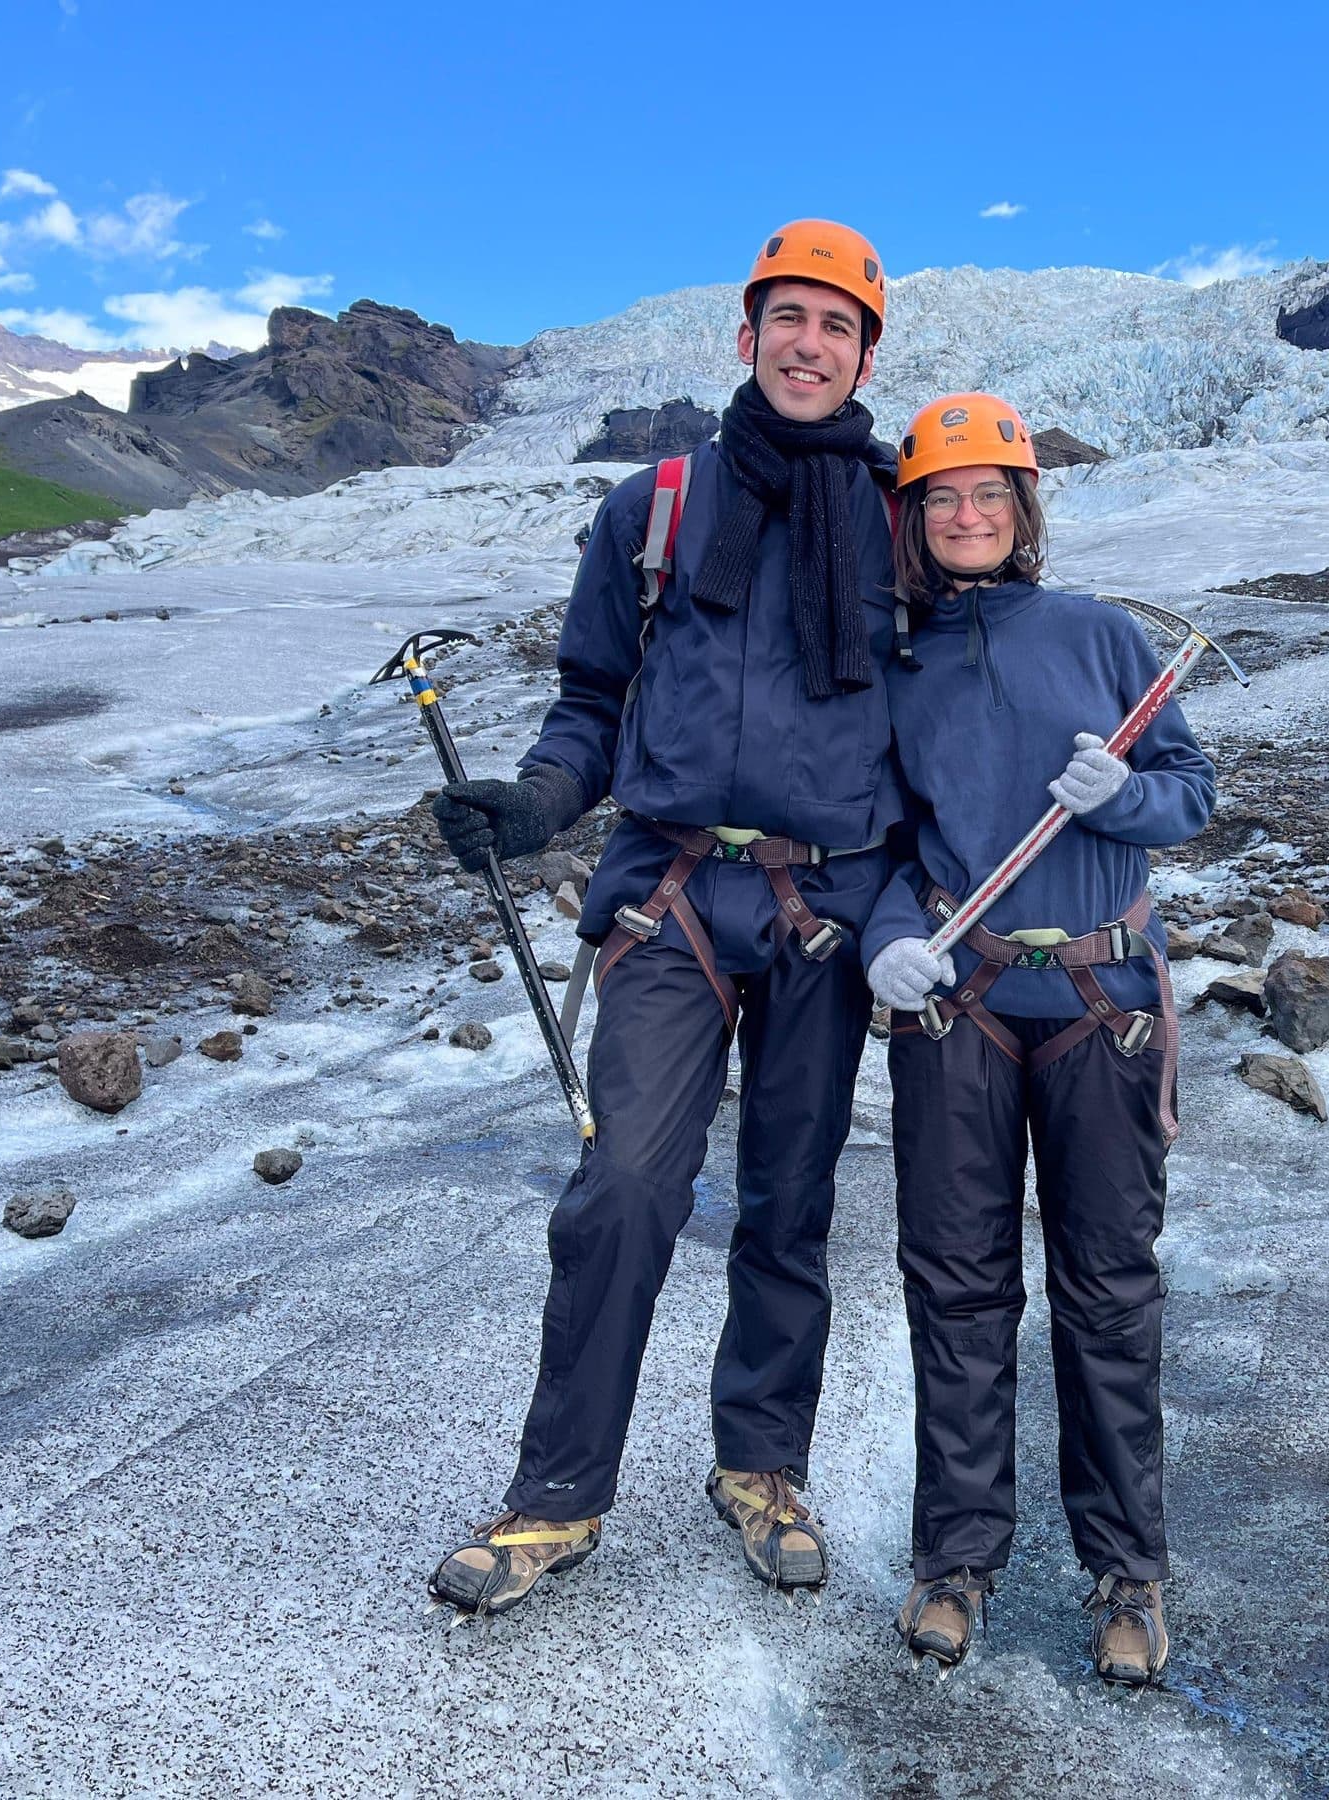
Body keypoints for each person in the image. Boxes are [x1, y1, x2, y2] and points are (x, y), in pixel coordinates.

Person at [423, 221, 905, 1616]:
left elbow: (938, 722)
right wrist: (531, 806)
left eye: (839, 324)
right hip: (673, 896)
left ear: (869, 352)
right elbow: (591, 701)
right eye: (789, 319)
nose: (812, 344)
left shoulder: (897, 518)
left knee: (790, 1202)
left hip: (825, 901)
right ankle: (554, 1499)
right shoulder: (655, 510)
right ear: (746, 339)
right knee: (624, 1187)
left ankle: (762, 1466)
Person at [861, 393, 1215, 1688]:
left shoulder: (1102, 637)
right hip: (957, 1007)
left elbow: (1191, 790)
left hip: (1099, 1008)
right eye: (944, 498)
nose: (968, 515)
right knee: (955, 1293)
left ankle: (1127, 1575)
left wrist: (1128, 794)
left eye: (990, 494)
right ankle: (955, 1561)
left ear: (1024, 509)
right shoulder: (894, 667)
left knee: (1107, 1298)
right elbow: (884, 849)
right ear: (915, 518)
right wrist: (881, 939)